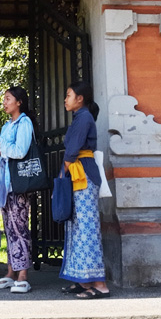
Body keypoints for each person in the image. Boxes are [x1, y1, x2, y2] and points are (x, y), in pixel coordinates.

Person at [59, 80, 110, 298]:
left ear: (80, 99)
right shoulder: (81, 117)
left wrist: (63, 173)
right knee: (79, 229)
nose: (65, 99)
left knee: (87, 229)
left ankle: (100, 285)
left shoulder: (84, 118)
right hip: (80, 174)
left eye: (69, 95)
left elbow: (72, 150)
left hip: (83, 175)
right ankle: (84, 280)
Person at [0, 87, 38, 294]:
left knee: (20, 227)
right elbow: (6, 153)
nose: (4, 102)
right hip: (6, 183)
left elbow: (19, 151)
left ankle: (23, 274)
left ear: (19, 102)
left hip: (19, 183)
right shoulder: (8, 125)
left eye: (8, 99)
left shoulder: (24, 123)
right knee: (9, 227)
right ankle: (10, 273)